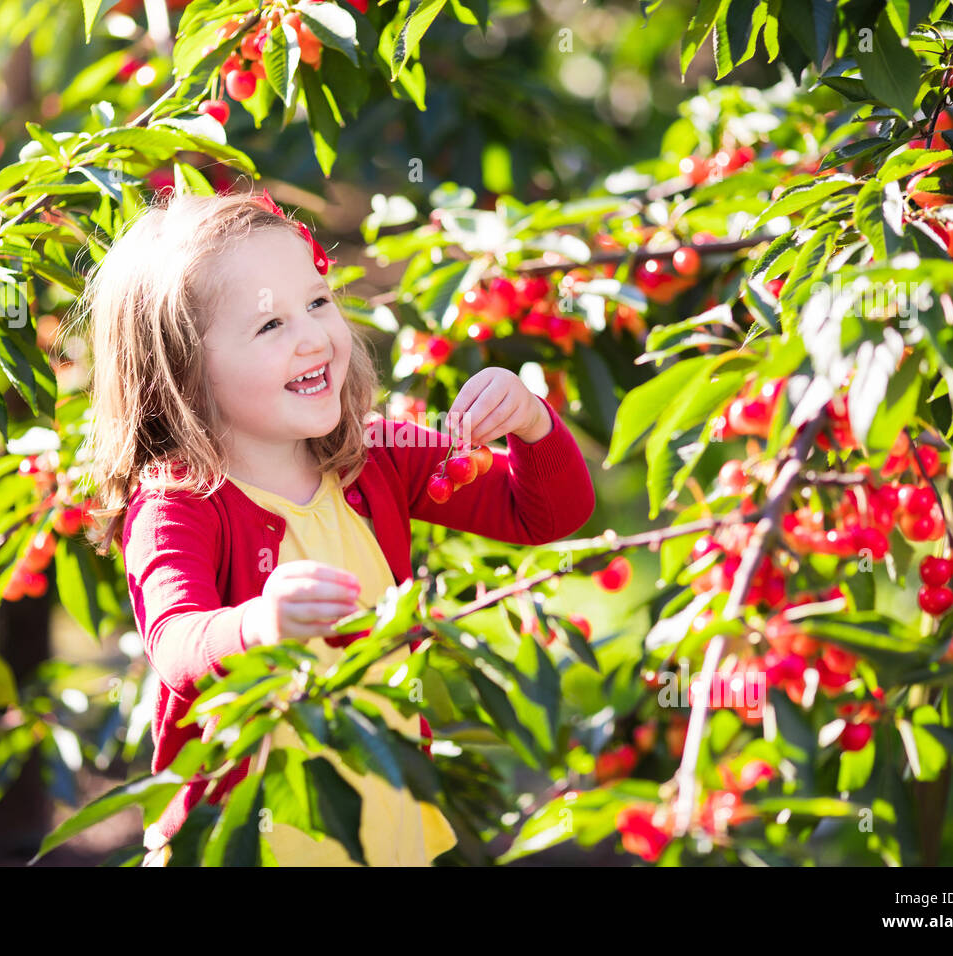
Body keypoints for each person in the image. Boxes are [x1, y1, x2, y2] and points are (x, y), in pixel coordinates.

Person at [78, 182, 595, 866]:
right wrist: (258, 625)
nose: (314, 337)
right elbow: (175, 641)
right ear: (184, 371)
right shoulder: (177, 503)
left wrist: (530, 423)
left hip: (381, 825)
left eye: (317, 303)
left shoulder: (375, 457)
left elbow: (545, 514)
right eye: (270, 324)